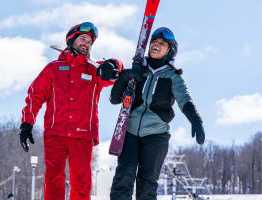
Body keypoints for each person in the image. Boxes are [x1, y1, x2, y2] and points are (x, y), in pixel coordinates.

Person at [19, 22, 124, 200]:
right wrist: (27, 123)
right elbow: (35, 96)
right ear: (71, 40)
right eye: (82, 39)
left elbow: (117, 71)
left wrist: (112, 65)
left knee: (82, 184)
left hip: (82, 135)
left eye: (90, 42)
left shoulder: (95, 71)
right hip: (55, 133)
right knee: (53, 181)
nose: (86, 43)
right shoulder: (53, 68)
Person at [109, 27, 205, 200]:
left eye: (162, 43)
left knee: (147, 184)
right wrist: (124, 77)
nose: (156, 45)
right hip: (129, 133)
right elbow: (115, 99)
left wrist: (196, 121)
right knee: (123, 178)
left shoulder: (173, 76)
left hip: (156, 136)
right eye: (154, 41)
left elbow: (185, 99)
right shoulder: (139, 68)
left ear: (170, 50)